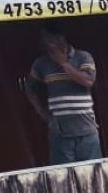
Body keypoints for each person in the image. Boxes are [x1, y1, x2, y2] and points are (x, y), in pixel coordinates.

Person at [24, 21, 102, 165]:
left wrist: (64, 63)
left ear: (60, 38)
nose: (45, 43)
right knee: (62, 179)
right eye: (43, 39)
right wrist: (43, 113)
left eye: (47, 38)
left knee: (92, 176)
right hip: (60, 135)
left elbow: (88, 81)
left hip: (87, 132)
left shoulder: (83, 57)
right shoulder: (41, 63)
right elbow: (30, 89)